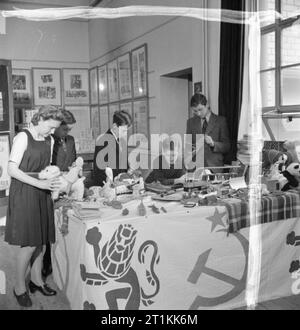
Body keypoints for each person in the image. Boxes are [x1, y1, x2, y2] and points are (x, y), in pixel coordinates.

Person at [5, 105, 63, 308]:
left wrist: (53, 179)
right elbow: (11, 169)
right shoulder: (23, 137)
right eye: (51, 127)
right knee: (29, 244)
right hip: (24, 193)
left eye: (55, 128)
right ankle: (19, 287)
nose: (53, 131)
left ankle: (36, 281)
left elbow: (45, 169)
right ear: (40, 119)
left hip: (42, 191)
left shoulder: (50, 139)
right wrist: (41, 183)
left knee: (41, 241)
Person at [42, 109, 77, 279]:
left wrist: (73, 172)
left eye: (70, 130)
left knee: (67, 223)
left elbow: (73, 162)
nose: (67, 133)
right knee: (50, 226)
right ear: (56, 127)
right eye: (65, 129)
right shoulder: (48, 141)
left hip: (67, 187)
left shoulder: (70, 140)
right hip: (52, 188)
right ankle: (47, 262)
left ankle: (65, 260)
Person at [186, 93, 230, 172]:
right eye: (195, 111)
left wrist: (213, 144)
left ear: (207, 105)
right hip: (196, 169)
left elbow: (227, 146)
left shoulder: (220, 121)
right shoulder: (190, 122)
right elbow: (188, 146)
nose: (198, 113)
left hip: (215, 168)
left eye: (200, 109)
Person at [91, 110, 132, 187]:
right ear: (115, 126)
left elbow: (124, 167)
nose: (125, 134)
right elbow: (99, 171)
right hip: (106, 187)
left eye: (127, 131)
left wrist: (129, 173)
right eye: (123, 131)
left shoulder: (121, 141)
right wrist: (112, 182)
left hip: (120, 186)